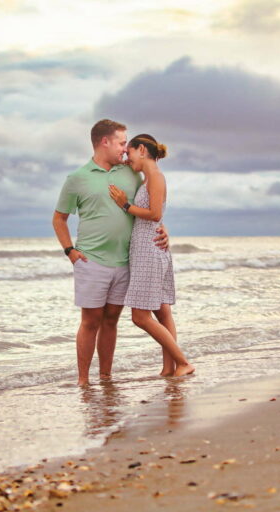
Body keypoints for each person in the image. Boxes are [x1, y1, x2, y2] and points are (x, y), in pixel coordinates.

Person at [52, 119, 169, 386]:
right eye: (120, 142)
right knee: (90, 321)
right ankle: (83, 380)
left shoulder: (131, 173)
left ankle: (105, 377)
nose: (125, 148)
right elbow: (59, 219)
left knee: (112, 320)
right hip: (91, 260)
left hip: (126, 260)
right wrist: (70, 250)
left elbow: (151, 205)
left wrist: (164, 228)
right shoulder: (77, 179)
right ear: (104, 142)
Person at [108, 134, 195, 377]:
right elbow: (157, 215)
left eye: (130, 152)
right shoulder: (149, 176)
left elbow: (155, 213)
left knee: (139, 317)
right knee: (162, 312)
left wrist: (125, 205)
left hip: (148, 251)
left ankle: (183, 362)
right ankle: (169, 368)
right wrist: (125, 163)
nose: (127, 157)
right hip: (149, 248)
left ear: (142, 150)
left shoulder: (156, 177)